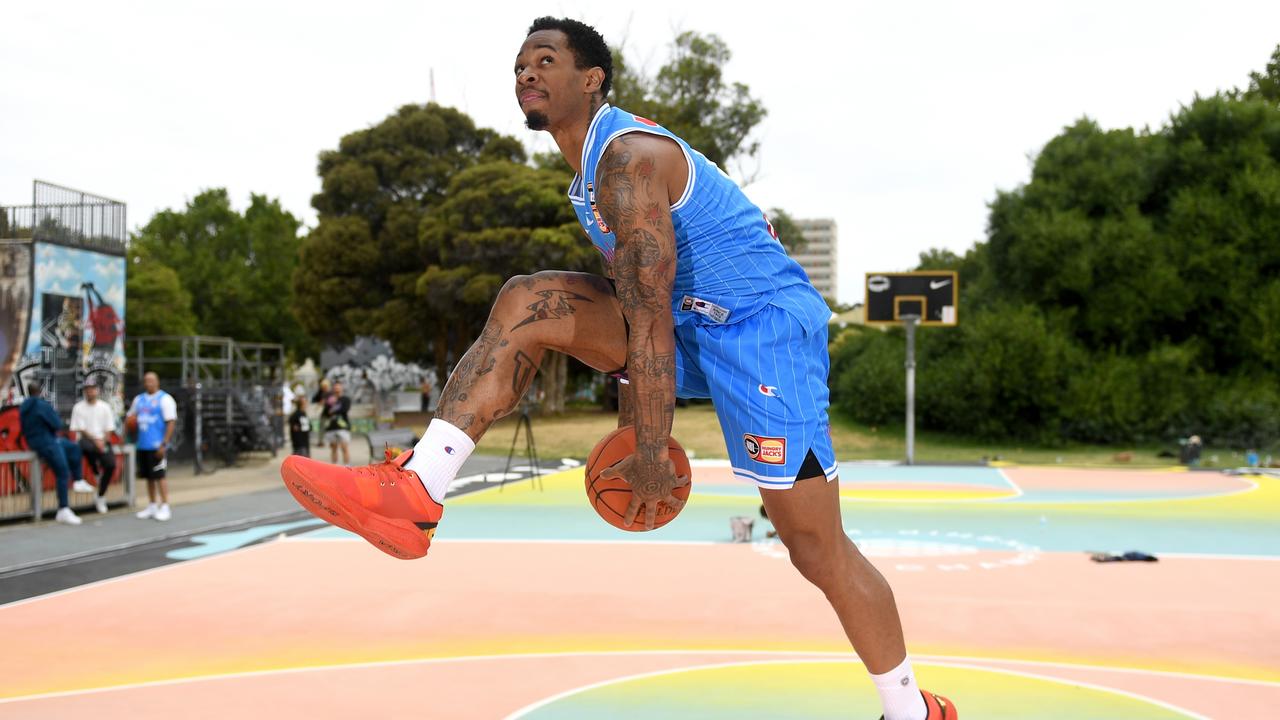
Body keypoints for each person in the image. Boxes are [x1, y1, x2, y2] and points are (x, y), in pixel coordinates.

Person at [281, 17, 953, 720]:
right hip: (693, 323)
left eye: (545, 60)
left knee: (816, 548)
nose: (527, 75)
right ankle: (417, 489)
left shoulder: (629, 159)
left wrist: (655, 447)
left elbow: (651, 317)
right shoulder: (586, 184)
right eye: (518, 66)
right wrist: (638, 427)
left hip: (763, 333)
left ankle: (913, 710)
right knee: (527, 299)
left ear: (592, 78)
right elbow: (641, 317)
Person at [19, 380, 84, 525]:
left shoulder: (23, 407)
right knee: (63, 472)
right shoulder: (42, 405)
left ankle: (79, 480)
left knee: (72, 447)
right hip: (47, 442)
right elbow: (56, 424)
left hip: (35, 442)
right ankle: (63, 509)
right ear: (39, 392)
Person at [128, 371, 177, 522]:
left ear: (157, 382)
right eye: (146, 380)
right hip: (143, 444)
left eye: (151, 380)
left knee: (159, 476)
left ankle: (165, 505)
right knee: (148, 477)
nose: (149, 383)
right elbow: (131, 417)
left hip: (157, 445)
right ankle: (152, 505)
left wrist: (164, 444)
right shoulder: (139, 400)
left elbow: (171, 422)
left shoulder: (165, 399)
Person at [69, 377, 117, 514]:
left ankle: (101, 495)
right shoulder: (78, 407)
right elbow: (80, 429)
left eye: (92, 389)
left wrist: (103, 441)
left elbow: (109, 428)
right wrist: (96, 441)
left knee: (111, 464)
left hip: (102, 440)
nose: (90, 392)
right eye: (87, 389)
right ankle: (95, 471)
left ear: (97, 390)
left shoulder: (104, 407)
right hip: (87, 440)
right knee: (85, 447)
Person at [321, 380, 351, 465]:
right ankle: (335, 467)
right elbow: (325, 413)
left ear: (341, 388)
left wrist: (333, 410)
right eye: (335, 388)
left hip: (343, 427)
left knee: (344, 447)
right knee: (334, 448)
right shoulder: (330, 400)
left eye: (338, 387)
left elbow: (344, 410)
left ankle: (347, 467)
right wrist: (329, 404)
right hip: (331, 427)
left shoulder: (345, 399)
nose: (337, 389)